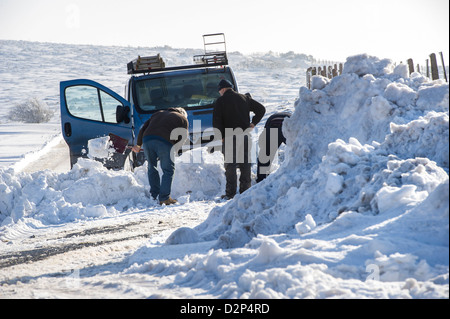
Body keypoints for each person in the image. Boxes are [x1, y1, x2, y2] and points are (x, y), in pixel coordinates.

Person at [213, 79, 266, 199]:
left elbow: (216, 121)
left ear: (222, 89)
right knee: (245, 163)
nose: (219, 93)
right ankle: (245, 191)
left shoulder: (220, 101)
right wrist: (253, 123)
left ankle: (230, 193)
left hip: (229, 136)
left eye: (219, 91)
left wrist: (220, 137)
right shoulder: (244, 98)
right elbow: (261, 109)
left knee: (230, 165)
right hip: (245, 135)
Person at [132, 107, 189, 205]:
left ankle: (154, 195)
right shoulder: (183, 119)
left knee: (152, 167)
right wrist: (174, 150)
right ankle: (164, 198)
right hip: (164, 141)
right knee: (168, 170)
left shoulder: (158, 113)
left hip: (147, 139)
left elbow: (143, 128)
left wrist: (138, 145)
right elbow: (183, 136)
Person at [256, 112, 291, 183]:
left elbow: (263, 142)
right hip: (288, 124)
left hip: (272, 124)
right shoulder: (293, 116)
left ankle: (261, 179)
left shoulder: (268, 124)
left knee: (265, 154)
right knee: (295, 150)